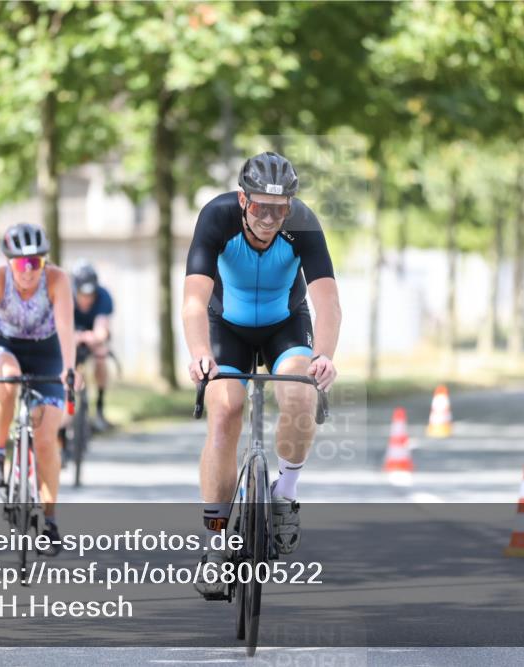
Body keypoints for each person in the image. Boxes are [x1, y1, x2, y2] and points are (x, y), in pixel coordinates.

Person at [182, 152, 341, 598]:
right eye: (259, 207)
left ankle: (285, 493)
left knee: (299, 393)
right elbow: (194, 300)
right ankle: (216, 542)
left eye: (280, 208)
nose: (270, 218)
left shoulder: (303, 222)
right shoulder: (216, 217)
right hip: (225, 326)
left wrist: (324, 355)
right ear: (241, 199)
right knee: (226, 410)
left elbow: (327, 301)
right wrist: (199, 354)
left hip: (283, 325)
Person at [0, 223, 78, 554]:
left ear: (44, 262)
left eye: (35, 263)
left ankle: (50, 519)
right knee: (8, 376)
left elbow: (66, 328)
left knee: (46, 441)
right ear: (8, 262)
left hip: (47, 352)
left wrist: (69, 369)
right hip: (6, 347)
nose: (28, 272)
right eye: (20, 263)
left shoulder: (57, 280)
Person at [72, 261, 115, 432]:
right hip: (71, 337)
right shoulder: (65, 294)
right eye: (82, 293)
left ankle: (99, 407)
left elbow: (102, 329)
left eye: (91, 294)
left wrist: (94, 337)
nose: (87, 299)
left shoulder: (103, 297)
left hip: (93, 339)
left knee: (101, 355)